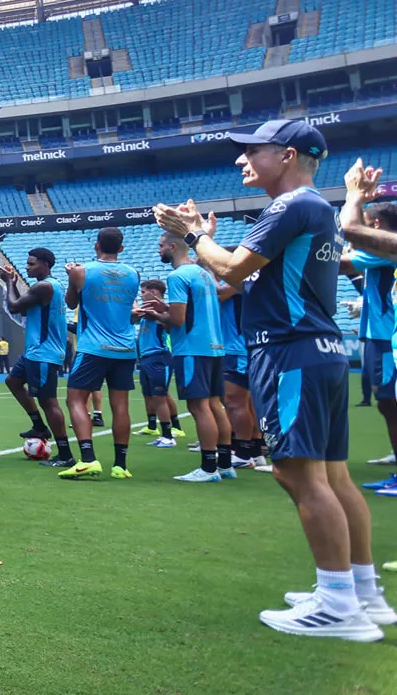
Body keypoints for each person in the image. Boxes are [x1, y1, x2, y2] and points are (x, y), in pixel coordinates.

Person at [154, 124, 390, 640]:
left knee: (299, 478)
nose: (241, 162)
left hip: (289, 352)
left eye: (250, 152)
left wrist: (194, 234)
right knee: (332, 477)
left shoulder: (289, 208)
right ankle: (361, 592)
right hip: (317, 350)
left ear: (284, 156)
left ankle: (337, 605)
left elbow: (233, 272)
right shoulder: (314, 209)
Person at [58, 227, 139, 482]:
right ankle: (120, 465)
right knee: (121, 406)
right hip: (125, 347)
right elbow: (127, 307)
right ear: (122, 248)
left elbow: (71, 303)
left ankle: (87, 459)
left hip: (94, 347)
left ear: (96, 245)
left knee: (75, 400)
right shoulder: (134, 273)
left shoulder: (82, 271)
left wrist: (71, 276)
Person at [156, 231, 234, 482]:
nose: (158, 250)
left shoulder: (177, 276)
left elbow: (177, 319)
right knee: (214, 404)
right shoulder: (205, 274)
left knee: (198, 406)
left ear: (174, 246)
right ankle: (224, 464)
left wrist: (156, 316)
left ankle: (208, 468)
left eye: (161, 246)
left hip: (191, 348)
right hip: (214, 346)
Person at [340, 202, 397, 477]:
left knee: (388, 399)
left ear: (374, 225)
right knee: (386, 399)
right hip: (380, 333)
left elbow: (341, 264)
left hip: (386, 337)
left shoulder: (385, 249)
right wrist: (363, 306)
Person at [2, 247, 73, 465]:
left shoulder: (44, 286)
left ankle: (65, 454)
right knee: (12, 381)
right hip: (35, 351)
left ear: (45, 264)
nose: (27, 267)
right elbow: (24, 309)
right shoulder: (51, 286)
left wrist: (9, 282)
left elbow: (14, 307)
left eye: (31, 263)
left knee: (48, 402)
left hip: (43, 353)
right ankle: (39, 427)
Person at [218, 276, 265, 471]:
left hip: (237, 348)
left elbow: (217, 294)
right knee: (245, 401)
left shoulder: (239, 282)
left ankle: (244, 452)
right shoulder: (243, 283)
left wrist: (207, 268)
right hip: (240, 346)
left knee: (234, 401)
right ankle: (254, 450)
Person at [130, 279, 180, 448]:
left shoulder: (161, 310)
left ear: (154, 292)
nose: (141, 295)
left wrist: (157, 313)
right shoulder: (146, 311)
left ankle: (168, 435)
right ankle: (159, 431)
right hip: (146, 358)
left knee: (160, 396)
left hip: (159, 356)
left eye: (144, 292)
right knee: (152, 395)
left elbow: (168, 325)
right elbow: (133, 318)